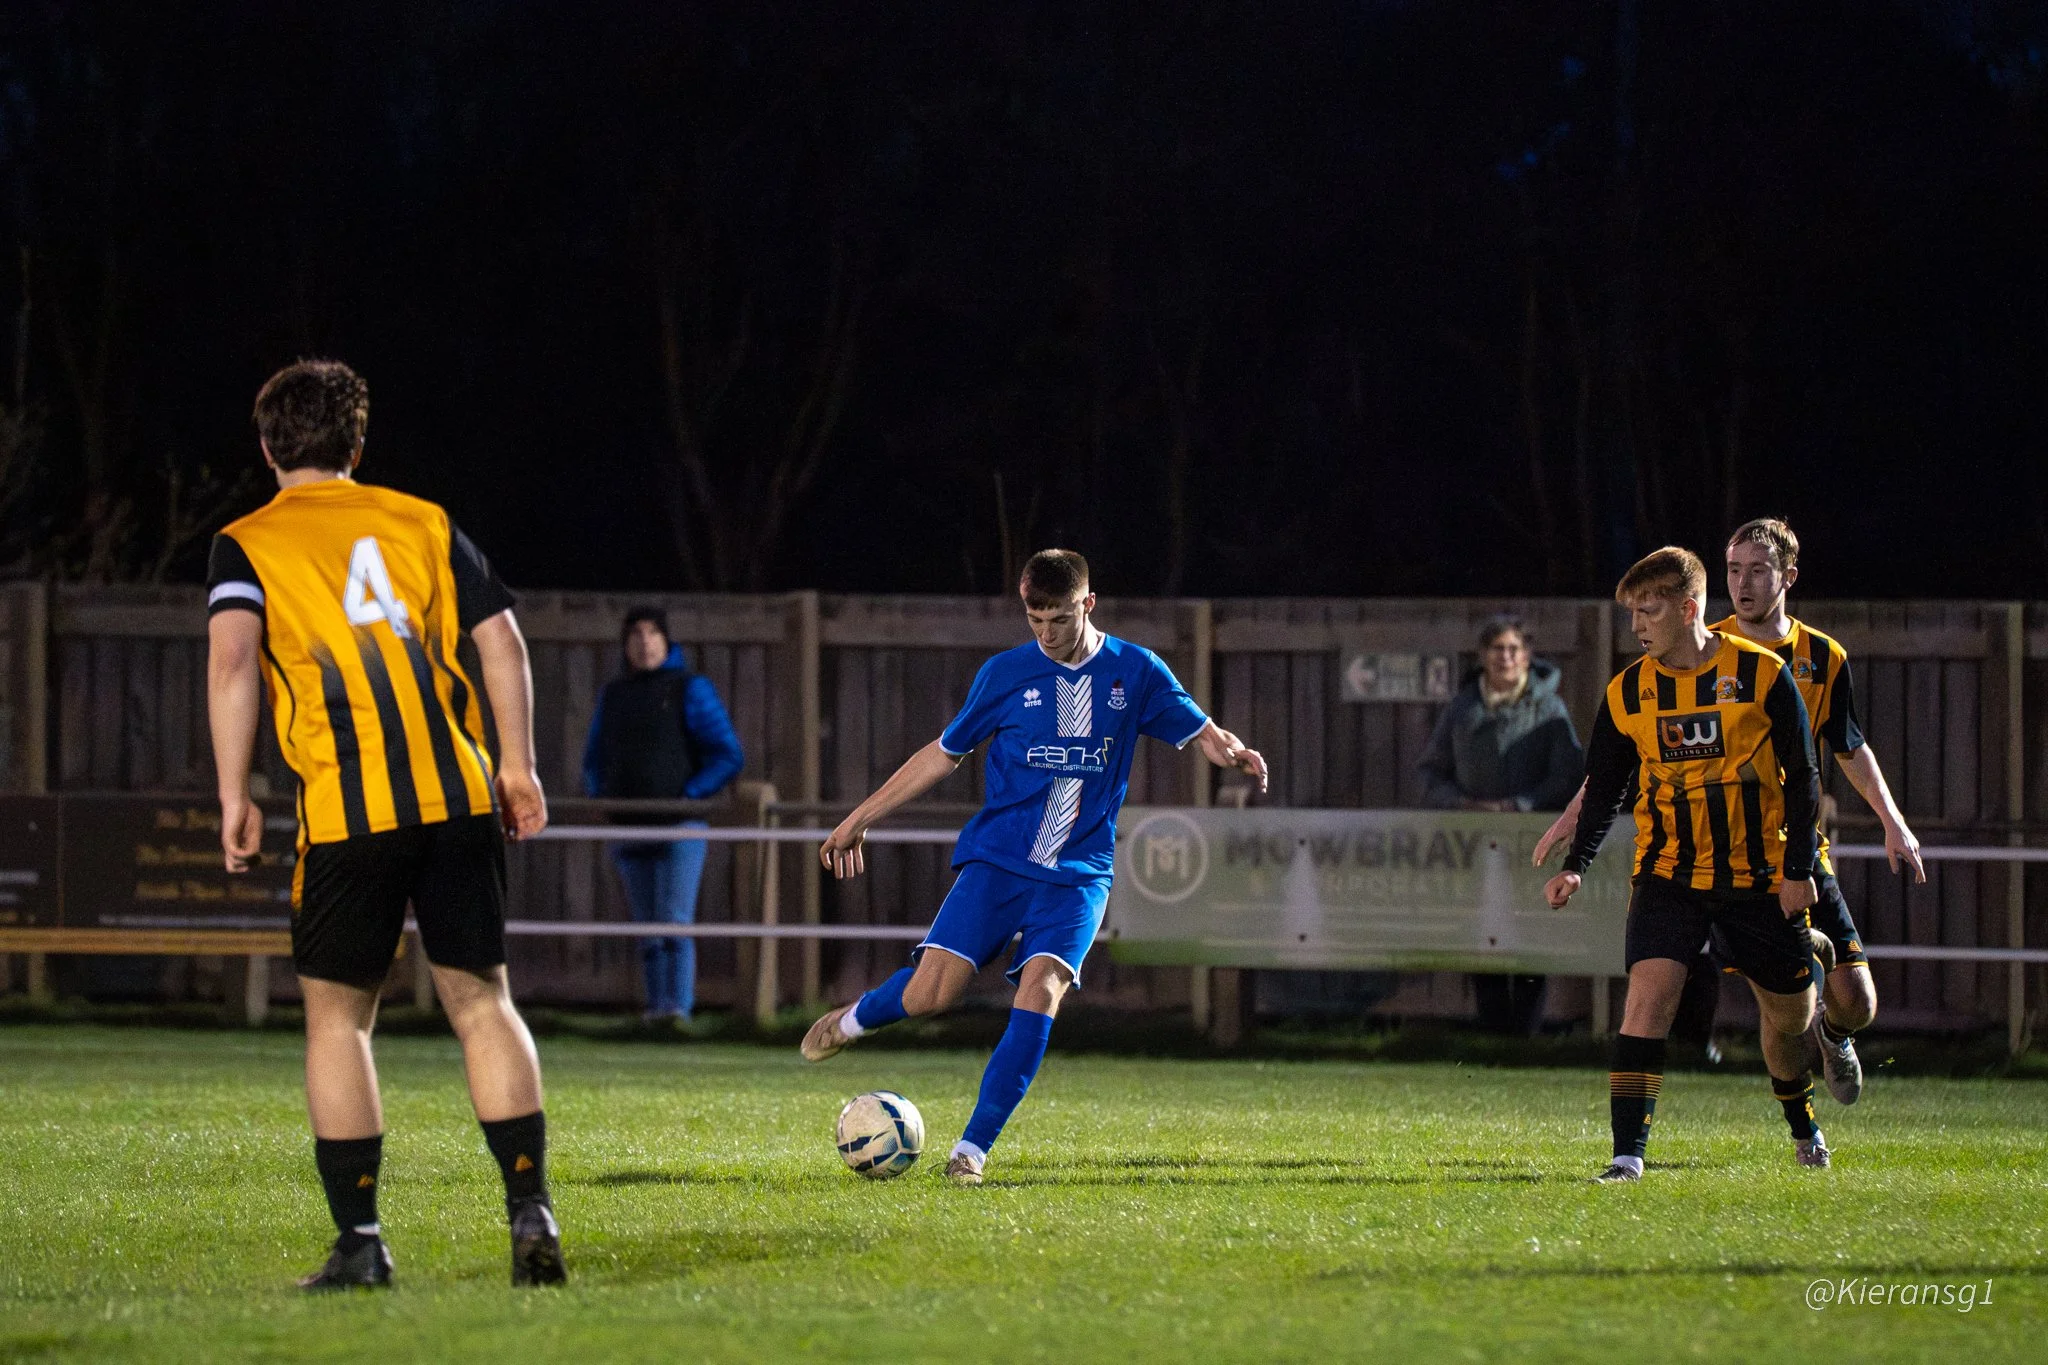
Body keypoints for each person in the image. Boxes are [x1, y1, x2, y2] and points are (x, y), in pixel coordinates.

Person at [207, 359, 565, 1290]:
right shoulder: (422, 521)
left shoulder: (246, 543)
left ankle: (361, 1242)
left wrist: (234, 792)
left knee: (339, 1022)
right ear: (357, 443)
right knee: (482, 1001)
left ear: (267, 446)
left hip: (347, 811)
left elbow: (234, 663)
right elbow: (501, 640)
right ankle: (530, 1208)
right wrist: (517, 764)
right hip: (457, 797)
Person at [796, 549, 1269, 1184]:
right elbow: (943, 753)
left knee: (1041, 989)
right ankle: (852, 1021)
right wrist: (862, 816)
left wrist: (1233, 750)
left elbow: (1204, 730)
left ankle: (970, 1153)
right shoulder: (1005, 674)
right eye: (1034, 620)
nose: (1046, 633)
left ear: (1088, 604)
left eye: (1059, 619)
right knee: (932, 995)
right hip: (999, 863)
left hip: (1079, 875)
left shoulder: (1136, 670)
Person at [1535, 520, 1926, 1103]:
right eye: (1734, 570)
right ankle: (1796, 1120)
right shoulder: (1695, 647)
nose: (1742, 583)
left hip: (1796, 849)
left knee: (1857, 1003)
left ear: (1788, 578)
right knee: (1761, 999)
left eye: (1758, 571)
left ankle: (1833, 1033)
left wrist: (1893, 823)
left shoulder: (1822, 658)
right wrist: (1575, 819)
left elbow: (1848, 746)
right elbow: (1624, 754)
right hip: (1717, 860)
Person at [1543, 546, 1824, 1182]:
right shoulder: (1628, 692)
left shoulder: (1761, 674)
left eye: (1650, 610)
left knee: (1792, 1018)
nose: (1637, 625)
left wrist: (1799, 869)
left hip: (1757, 875)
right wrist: (1577, 864)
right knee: (1647, 1001)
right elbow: (1606, 784)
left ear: (1689, 609)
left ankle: (1803, 1123)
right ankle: (1626, 1157)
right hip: (1668, 872)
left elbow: (1804, 776)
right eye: (1632, 613)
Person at [1417, 616, 1583, 1035]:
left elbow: (1567, 774)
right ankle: (1492, 1034)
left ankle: (1524, 1035)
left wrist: (1520, 805)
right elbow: (1430, 772)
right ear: (1483, 656)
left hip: (1531, 844)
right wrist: (1463, 803)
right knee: (1482, 931)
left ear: (1526, 656)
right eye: (1496, 649)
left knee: (1530, 932)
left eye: (1513, 649)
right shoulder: (1462, 708)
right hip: (1474, 845)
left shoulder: (1549, 708)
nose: (1505, 657)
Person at [581, 608, 745, 1023]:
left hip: (678, 825)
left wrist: (689, 795)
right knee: (647, 930)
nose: (644, 642)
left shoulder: (689, 689)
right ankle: (656, 1014)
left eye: (653, 633)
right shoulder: (615, 694)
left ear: (666, 641)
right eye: (635, 634)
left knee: (674, 924)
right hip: (628, 825)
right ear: (625, 644)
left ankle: (678, 1013)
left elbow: (728, 754)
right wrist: (601, 795)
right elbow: (595, 756)